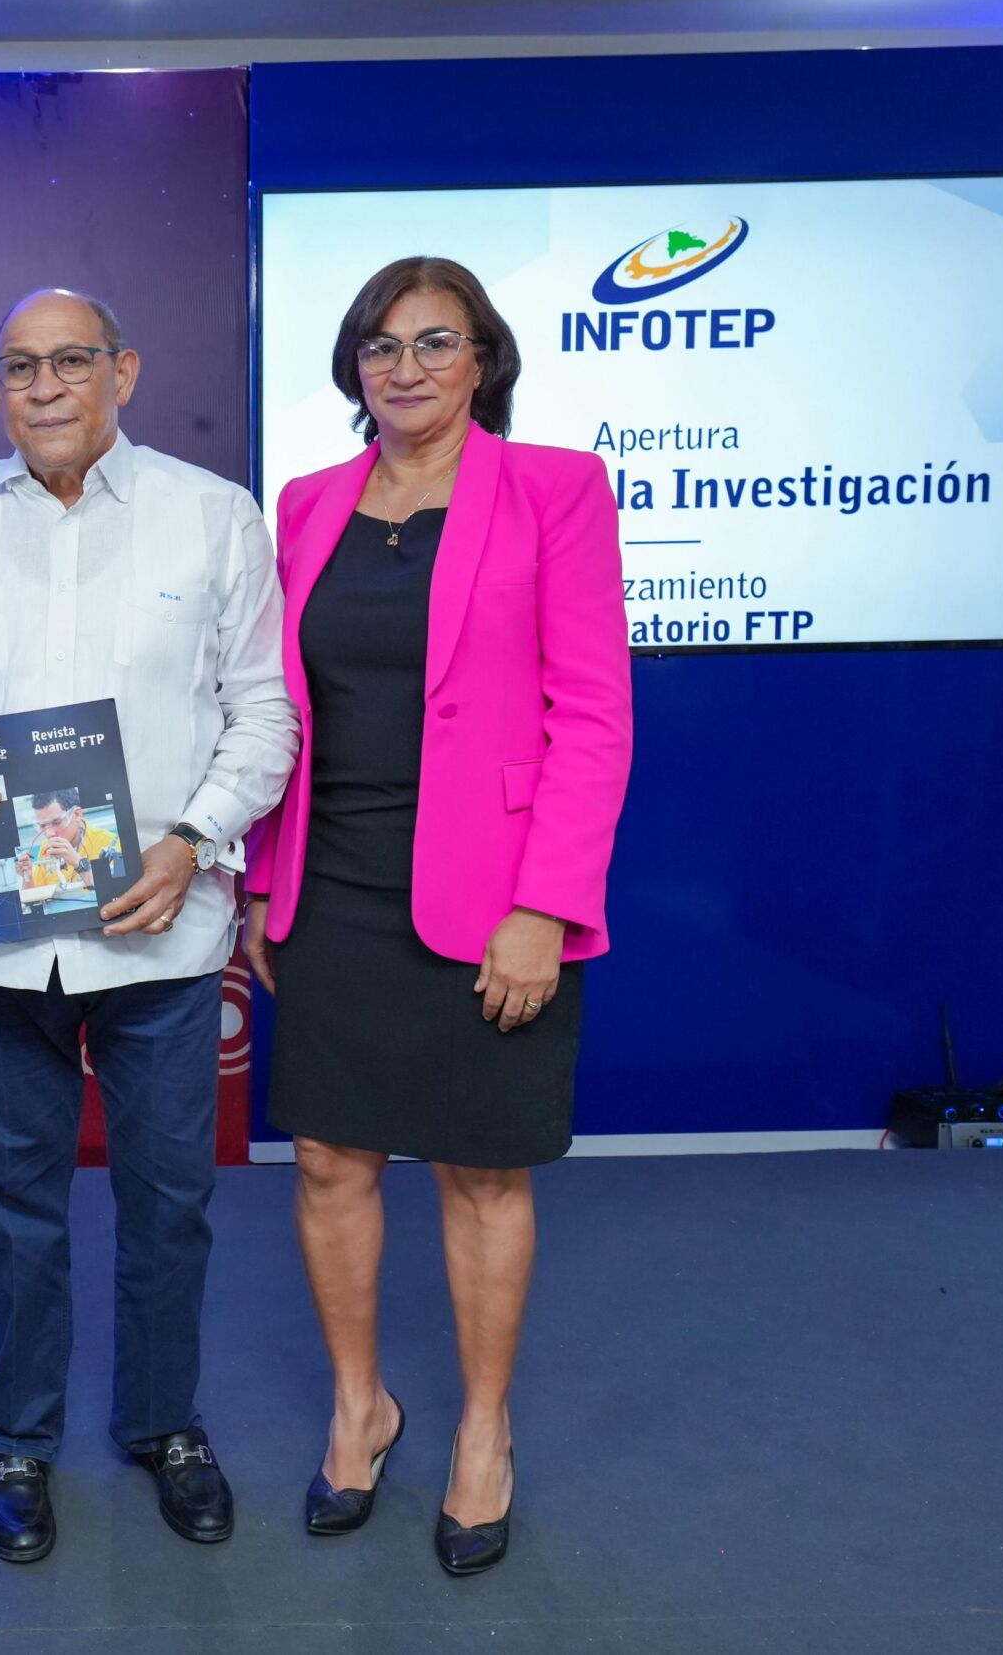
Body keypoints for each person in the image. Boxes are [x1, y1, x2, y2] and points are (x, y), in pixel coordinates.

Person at [0, 288, 294, 1563]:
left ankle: (163, 1425)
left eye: (71, 362)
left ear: (123, 372)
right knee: (16, 1205)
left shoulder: (212, 516)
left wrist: (193, 838)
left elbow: (263, 712)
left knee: (169, 1202)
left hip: (160, 926)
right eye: (20, 367)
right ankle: (19, 1438)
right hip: (1, 939)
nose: (45, 387)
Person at [243, 256, 632, 1576]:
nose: (402, 366)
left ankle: (481, 1431)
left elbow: (593, 716)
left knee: (480, 1169)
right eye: (379, 344)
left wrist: (546, 905)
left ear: (482, 360)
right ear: (352, 366)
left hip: (496, 893)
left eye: (433, 342)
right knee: (329, 1160)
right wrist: (261, 879)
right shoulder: (306, 504)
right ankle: (360, 1408)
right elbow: (279, 712)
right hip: (333, 879)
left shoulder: (554, 489)